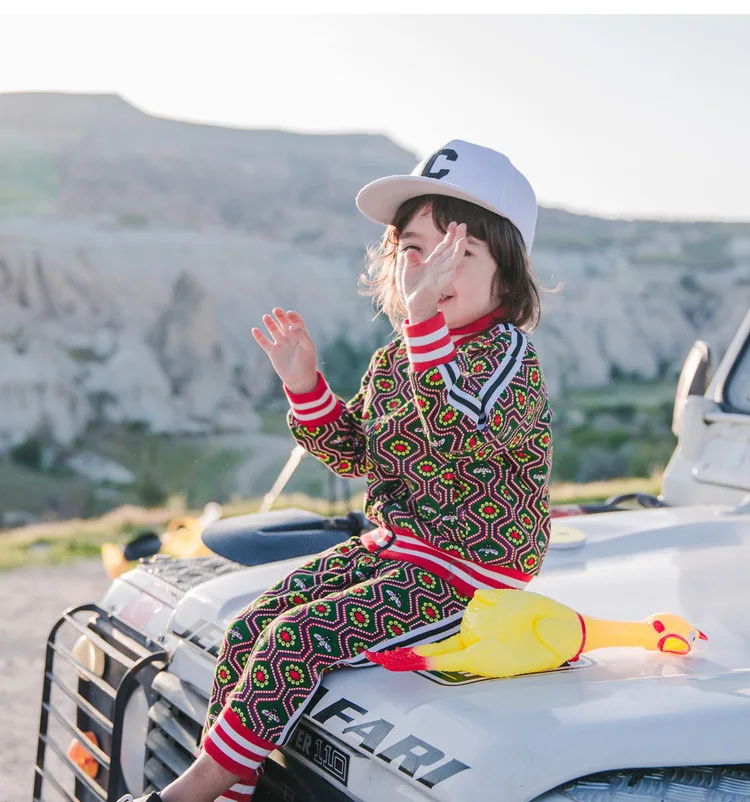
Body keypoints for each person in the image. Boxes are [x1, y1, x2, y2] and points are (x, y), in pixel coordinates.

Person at [119, 139, 553, 802]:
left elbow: (458, 435)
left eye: (460, 252)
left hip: (471, 566)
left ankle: (195, 790)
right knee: (251, 626)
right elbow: (360, 453)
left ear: (509, 275)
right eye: (415, 249)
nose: (432, 268)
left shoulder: (507, 356)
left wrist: (423, 325)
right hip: (398, 547)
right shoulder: (397, 358)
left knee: (297, 637)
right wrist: (305, 387)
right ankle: (234, 793)